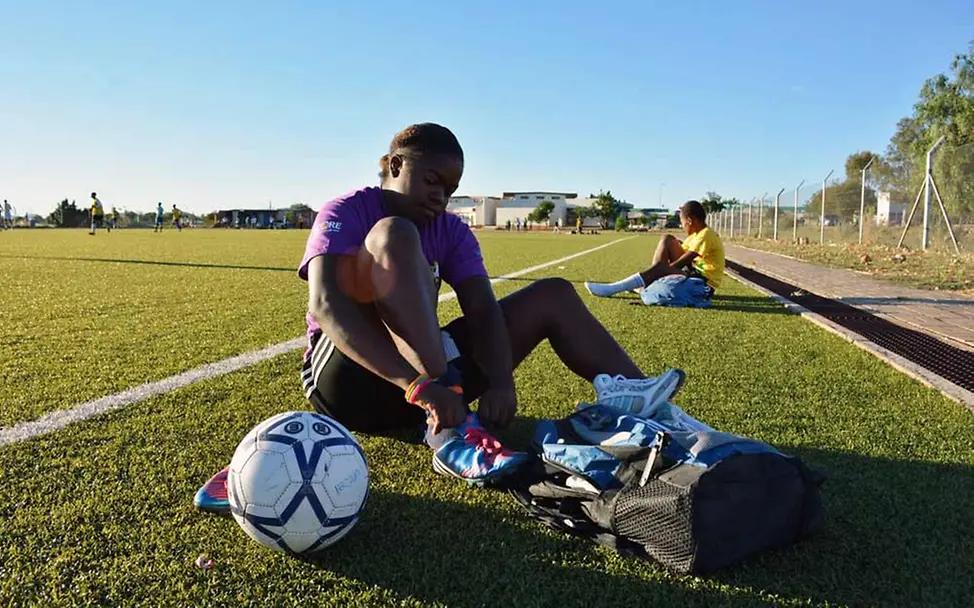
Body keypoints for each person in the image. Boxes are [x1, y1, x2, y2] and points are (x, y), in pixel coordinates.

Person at [193, 123, 679, 514]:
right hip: (352, 381)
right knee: (394, 235)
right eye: (432, 181)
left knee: (553, 295)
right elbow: (326, 305)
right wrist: (420, 385)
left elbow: (484, 312)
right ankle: (448, 432)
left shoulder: (450, 230)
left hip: (434, 375)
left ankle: (653, 418)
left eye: (450, 189)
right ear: (396, 165)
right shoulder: (347, 211)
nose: (441, 198)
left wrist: (502, 383)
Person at [584, 200, 725, 301]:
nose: (682, 227)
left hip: (702, 283)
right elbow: (679, 255)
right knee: (667, 239)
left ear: (689, 220)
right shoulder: (695, 236)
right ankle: (649, 283)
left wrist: (660, 271)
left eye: (682, 223)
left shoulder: (706, 234)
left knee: (660, 269)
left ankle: (614, 288)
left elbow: (682, 262)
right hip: (692, 273)